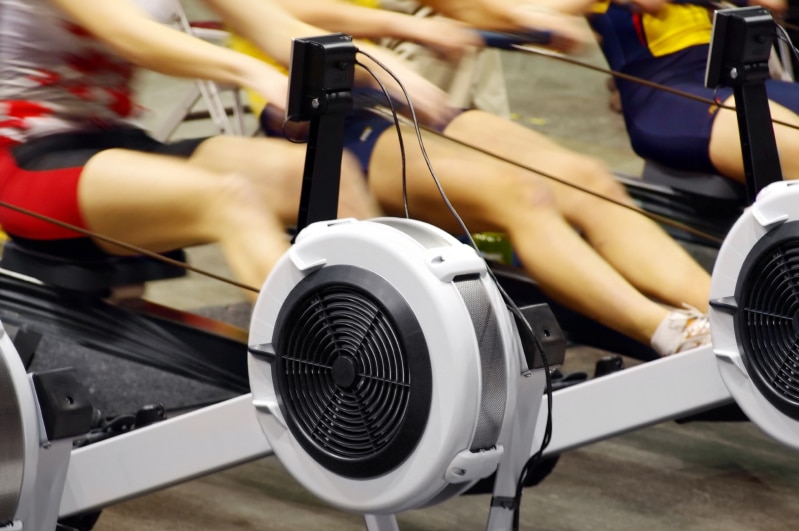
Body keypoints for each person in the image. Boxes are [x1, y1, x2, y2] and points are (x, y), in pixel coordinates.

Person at [230, 0, 714, 356]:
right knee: (522, 196)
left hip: (393, 98)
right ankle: (666, 331)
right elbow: (285, 20)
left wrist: (529, 18)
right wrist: (402, 33)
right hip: (323, 118)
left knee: (585, 179)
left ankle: (723, 312)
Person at [0, 0, 461, 301]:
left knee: (324, 173)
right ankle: (325, 372)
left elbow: (278, 28)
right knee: (230, 198)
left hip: (114, 144)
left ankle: (394, 335)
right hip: (24, 160)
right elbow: (128, 37)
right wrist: (249, 72)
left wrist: (394, 70)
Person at [586, 0, 799, 183]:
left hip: (731, 78)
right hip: (666, 98)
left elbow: (773, 4)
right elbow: (555, 8)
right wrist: (554, 19)